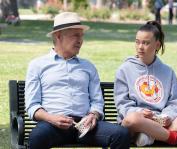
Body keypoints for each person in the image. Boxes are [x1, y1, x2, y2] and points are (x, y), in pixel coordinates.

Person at [25, 12, 130, 149]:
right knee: (37, 137)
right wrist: (52, 118)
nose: (80, 40)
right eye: (75, 35)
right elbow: (33, 106)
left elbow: (97, 101)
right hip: (53, 125)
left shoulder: (88, 67)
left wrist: (93, 115)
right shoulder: (37, 65)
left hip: (85, 126)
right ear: (58, 36)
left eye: (81, 36)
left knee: (121, 134)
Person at [114, 20, 177, 147]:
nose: (140, 47)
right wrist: (140, 112)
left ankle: (150, 135)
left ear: (157, 45)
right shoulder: (124, 69)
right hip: (137, 123)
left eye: (146, 43)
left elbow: (175, 102)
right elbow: (122, 104)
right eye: (137, 42)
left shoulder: (168, 72)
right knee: (132, 119)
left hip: (163, 122)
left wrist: (167, 116)